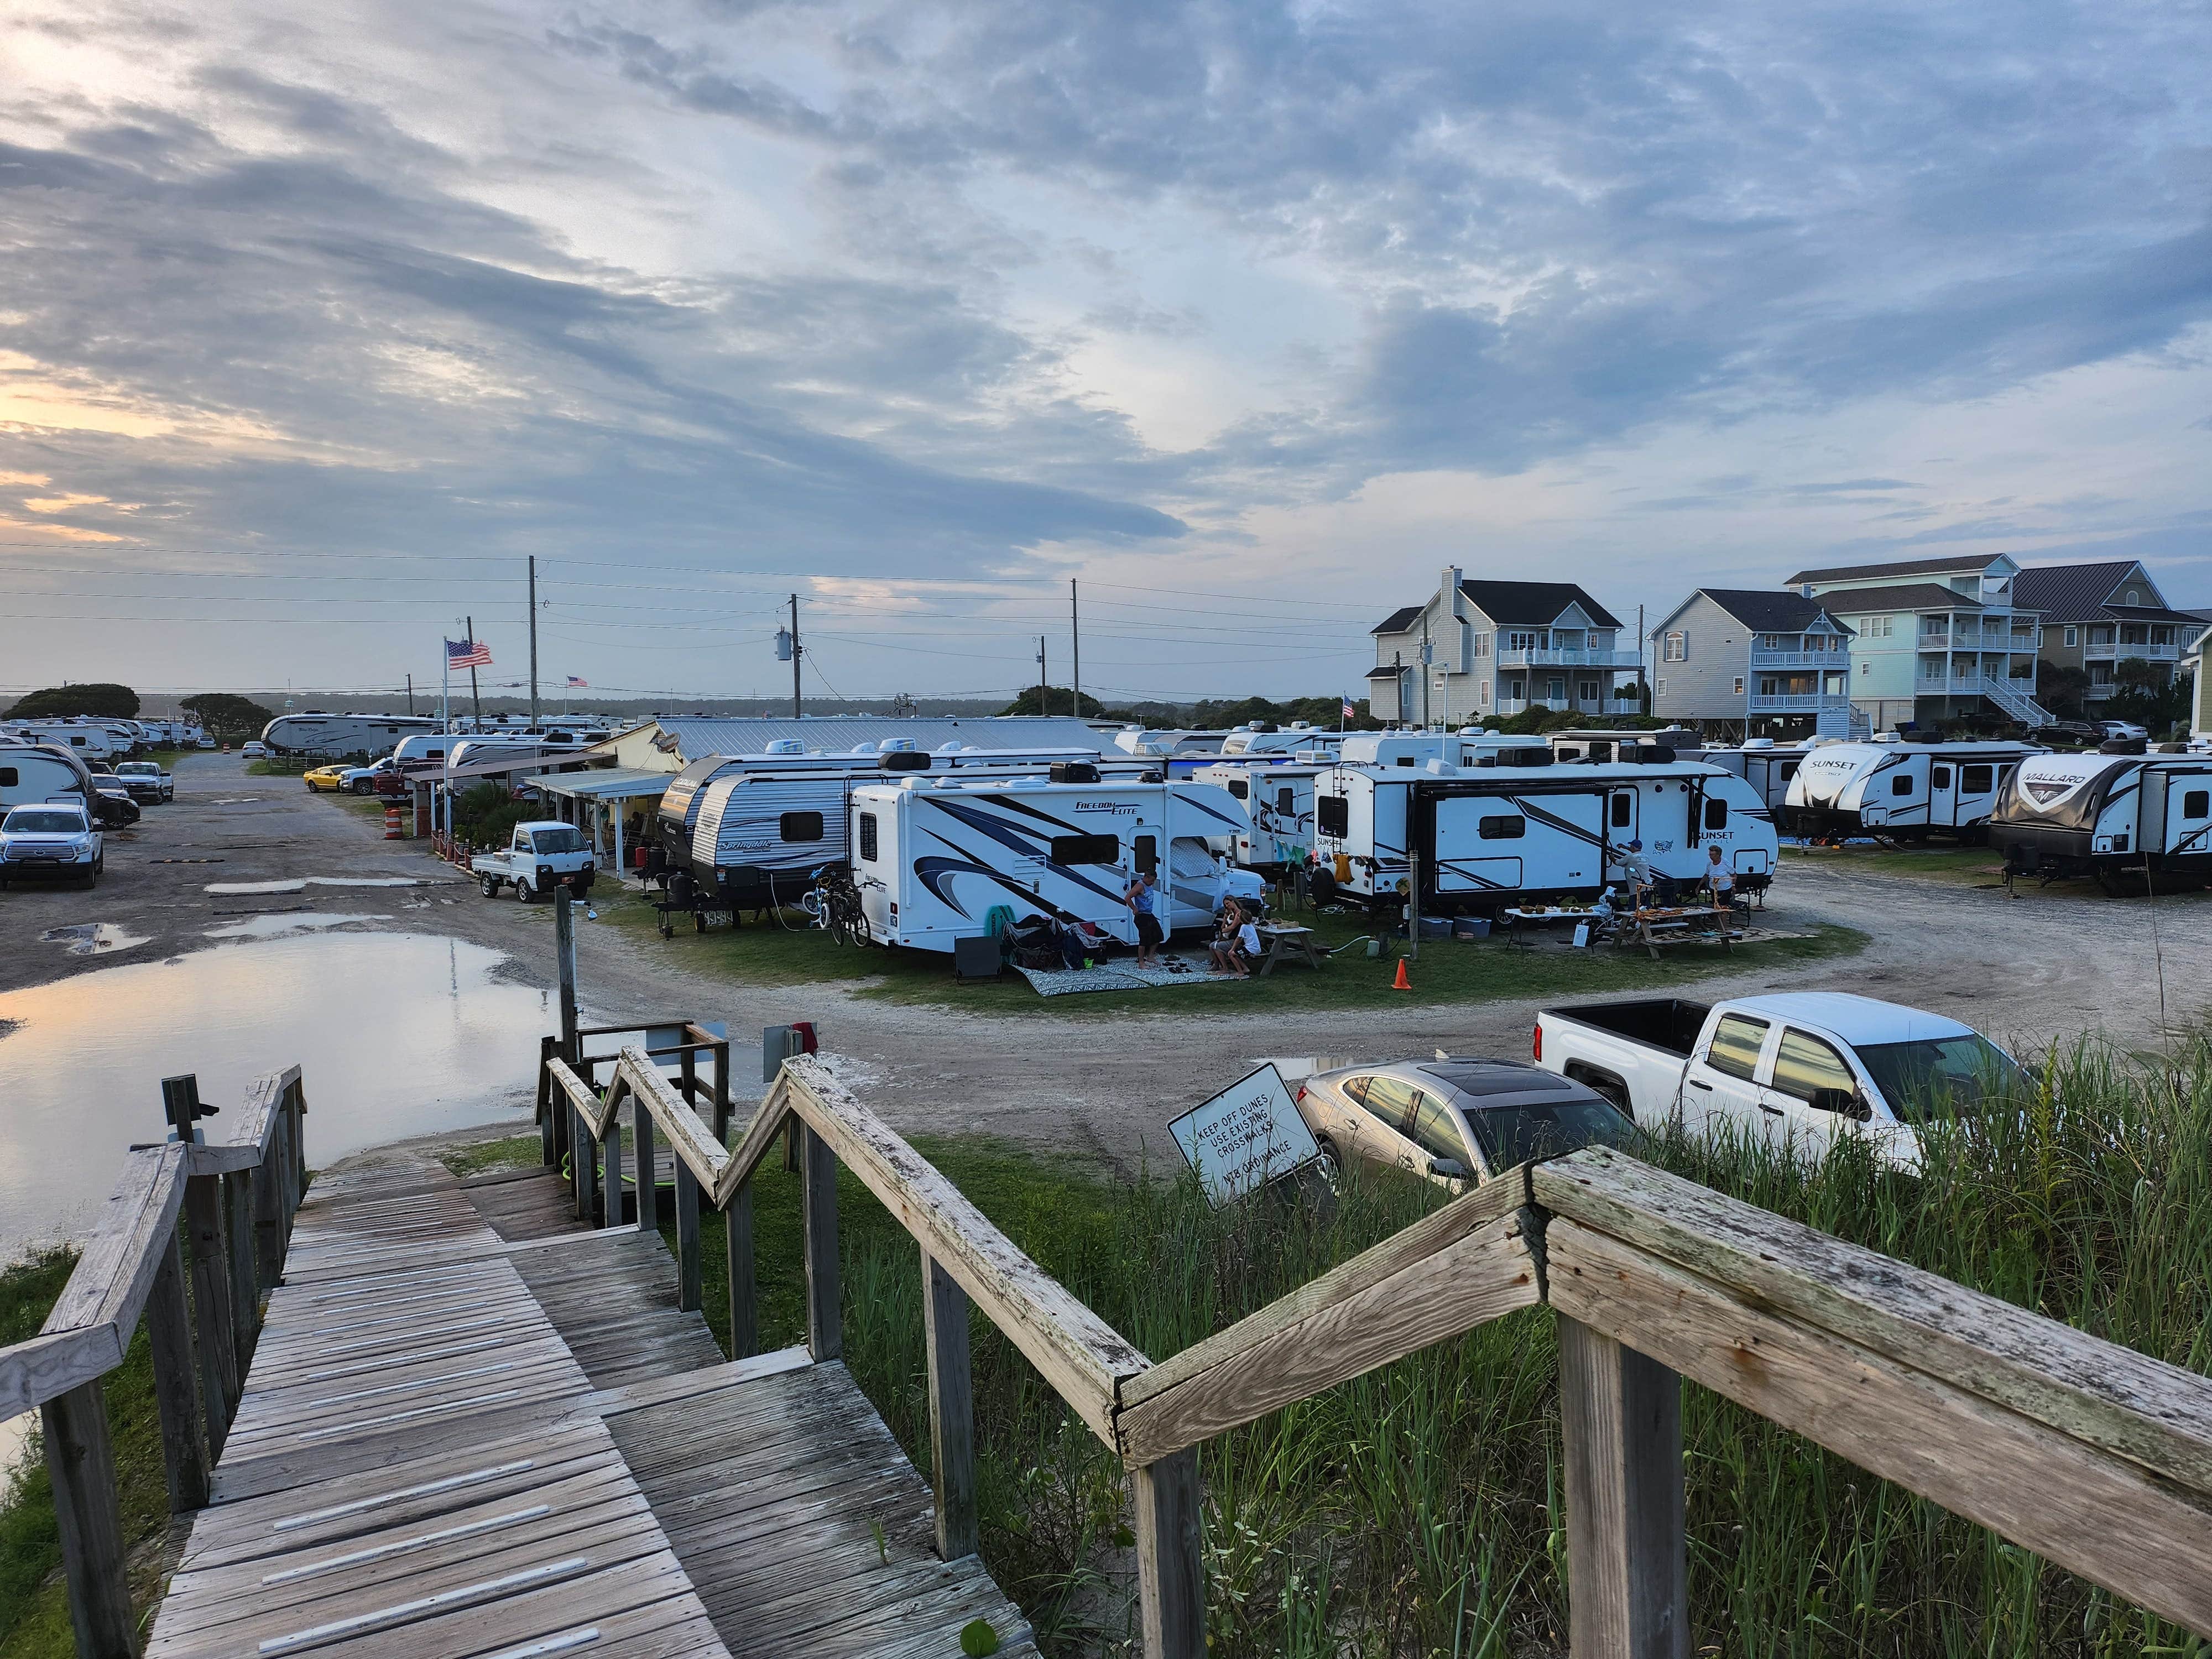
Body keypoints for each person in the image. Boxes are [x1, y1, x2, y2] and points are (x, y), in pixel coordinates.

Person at [1124, 867, 1162, 967]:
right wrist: (1134, 909)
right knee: (1144, 940)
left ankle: (1150, 957)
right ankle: (1141, 962)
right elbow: (1127, 898)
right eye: (1152, 881)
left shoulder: (1149, 885)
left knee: (1159, 936)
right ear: (1147, 877)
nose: (1153, 883)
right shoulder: (1139, 886)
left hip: (1149, 914)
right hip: (1141, 916)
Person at [1613, 839, 1652, 909]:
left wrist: (1612, 858)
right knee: (1646, 908)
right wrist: (1625, 848)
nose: (1630, 847)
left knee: (1634, 909)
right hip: (1648, 886)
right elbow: (1636, 854)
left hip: (1636, 888)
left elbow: (1617, 863)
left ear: (1633, 847)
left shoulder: (1629, 857)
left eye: (1631, 846)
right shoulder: (1646, 856)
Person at [1705, 844, 1736, 921]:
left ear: (1718, 855)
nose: (1710, 857)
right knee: (1716, 905)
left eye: (1712, 855)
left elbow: (1734, 874)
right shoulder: (1710, 864)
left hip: (1725, 887)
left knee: (1723, 907)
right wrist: (1699, 886)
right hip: (1714, 888)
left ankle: (1723, 924)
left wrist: (1733, 885)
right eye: (1710, 855)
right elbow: (1706, 875)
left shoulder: (1725, 863)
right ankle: (1717, 923)